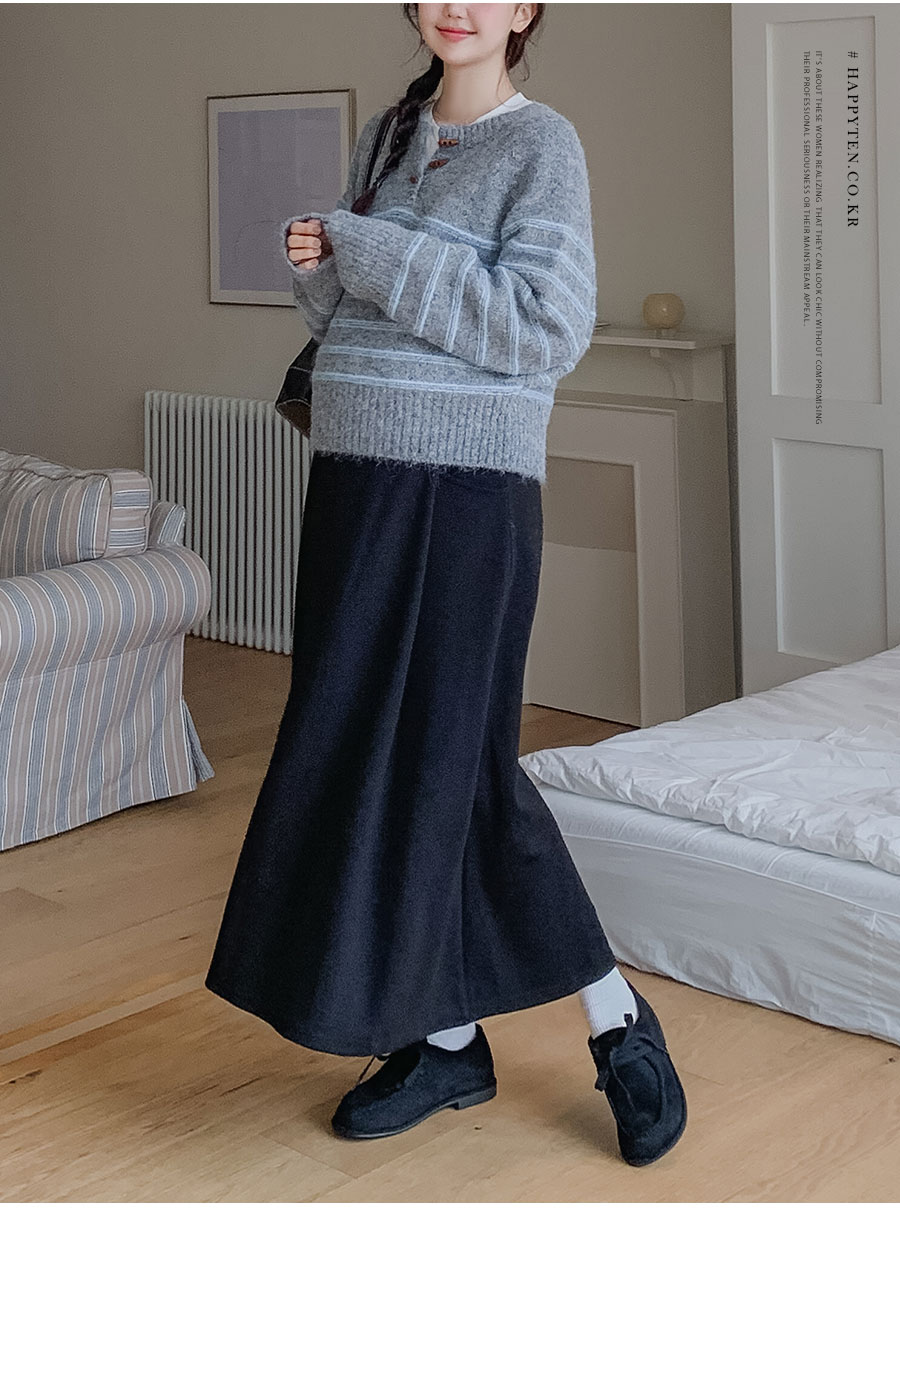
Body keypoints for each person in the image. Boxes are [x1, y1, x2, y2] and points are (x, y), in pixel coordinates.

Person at [204, 2, 687, 1168]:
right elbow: (354, 318)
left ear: (525, 11)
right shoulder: (388, 135)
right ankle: (446, 1039)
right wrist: (318, 271)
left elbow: (543, 327)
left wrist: (366, 251)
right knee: (358, 753)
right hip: (355, 479)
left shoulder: (542, 144)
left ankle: (614, 1017)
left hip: (466, 496)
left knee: (456, 764)